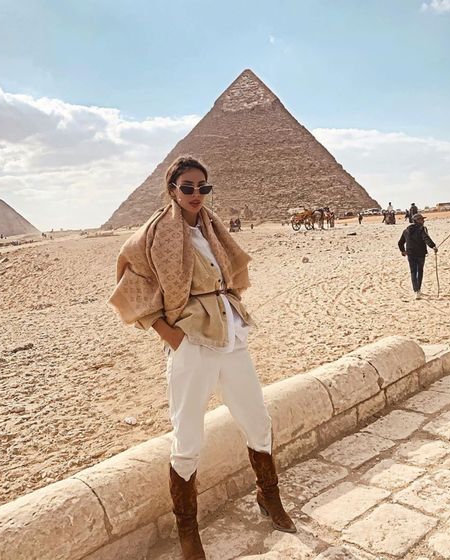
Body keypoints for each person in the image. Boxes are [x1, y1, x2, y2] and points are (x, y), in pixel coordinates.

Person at [109, 155, 295, 560]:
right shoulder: (156, 233)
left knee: (257, 421)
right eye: (188, 187)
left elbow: (229, 277)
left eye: (203, 187)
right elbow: (130, 285)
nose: (196, 195)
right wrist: (170, 335)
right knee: (188, 438)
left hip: (232, 337)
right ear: (172, 189)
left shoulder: (213, 228)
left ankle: (269, 496)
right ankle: (188, 532)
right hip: (191, 343)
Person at [398, 213, 438, 300]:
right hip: (420, 255)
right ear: (416, 221)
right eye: (421, 219)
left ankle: (416, 291)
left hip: (410, 254)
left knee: (413, 272)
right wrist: (433, 246)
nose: (423, 221)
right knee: (419, 272)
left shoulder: (406, 230)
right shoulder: (421, 229)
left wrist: (403, 251)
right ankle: (418, 290)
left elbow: (400, 243)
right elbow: (426, 238)